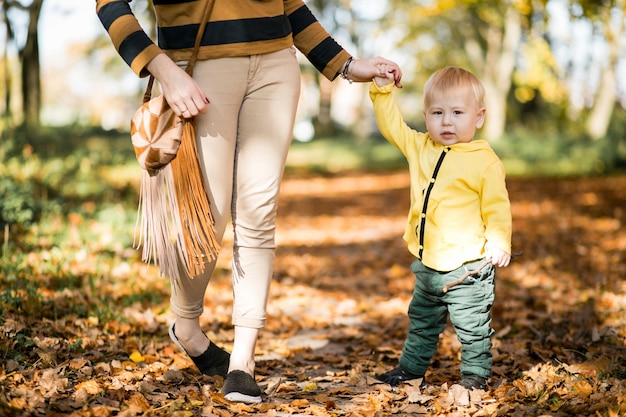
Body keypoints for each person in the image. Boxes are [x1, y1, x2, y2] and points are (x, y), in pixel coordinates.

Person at [96, 0, 402, 404]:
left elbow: (288, 3)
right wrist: (163, 68)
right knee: (208, 218)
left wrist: (345, 64)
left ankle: (243, 362)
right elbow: (108, 3)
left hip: (277, 61)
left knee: (259, 214)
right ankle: (186, 325)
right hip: (200, 67)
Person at [369, 66, 512, 391]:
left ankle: (475, 375)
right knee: (421, 322)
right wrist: (381, 91)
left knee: (471, 327)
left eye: (457, 113)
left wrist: (499, 241)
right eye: (437, 113)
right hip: (429, 265)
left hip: (468, 267)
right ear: (426, 115)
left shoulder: (484, 161)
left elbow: (497, 206)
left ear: (478, 117)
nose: (447, 121)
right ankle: (411, 370)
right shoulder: (420, 147)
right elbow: (392, 126)